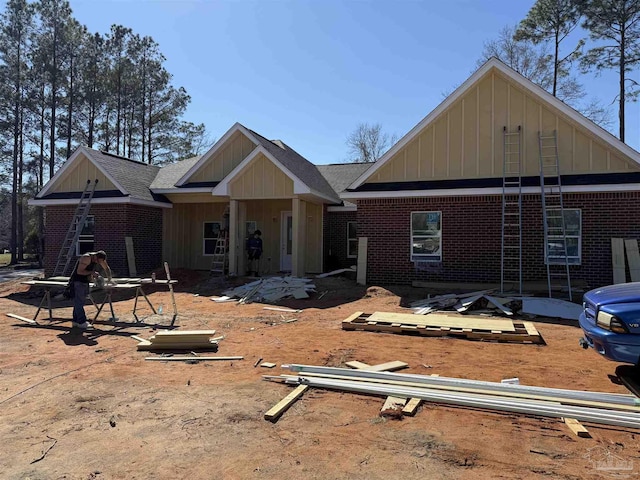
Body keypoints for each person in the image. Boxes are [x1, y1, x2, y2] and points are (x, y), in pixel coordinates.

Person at [71, 250, 111, 329]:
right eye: (97, 261)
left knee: (79, 301)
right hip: (77, 281)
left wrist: (109, 278)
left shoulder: (100, 259)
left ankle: (75, 321)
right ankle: (81, 322)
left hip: (85, 281)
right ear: (95, 256)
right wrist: (92, 273)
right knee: (79, 301)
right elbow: (79, 272)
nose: (97, 263)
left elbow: (106, 268)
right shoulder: (86, 258)